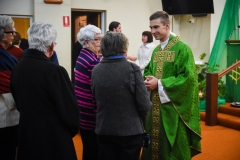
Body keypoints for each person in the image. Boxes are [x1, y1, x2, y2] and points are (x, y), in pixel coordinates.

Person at [10, 22, 79, 160]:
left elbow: (18, 103)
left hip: (27, 138)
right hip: (54, 141)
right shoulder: (55, 71)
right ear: (52, 45)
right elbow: (71, 112)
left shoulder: (17, 68)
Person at [141, 11, 201, 160]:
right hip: (154, 106)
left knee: (171, 148)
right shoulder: (156, 50)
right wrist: (147, 80)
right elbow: (149, 70)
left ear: (167, 25)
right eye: (151, 27)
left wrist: (160, 83)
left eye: (156, 27)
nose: (153, 32)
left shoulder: (182, 48)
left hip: (173, 109)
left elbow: (188, 79)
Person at [91, 32, 152, 160]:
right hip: (129, 131)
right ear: (124, 47)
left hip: (104, 129)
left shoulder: (96, 70)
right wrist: (141, 122)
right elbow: (144, 104)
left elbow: (95, 98)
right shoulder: (132, 69)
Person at [74, 24, 102, 160]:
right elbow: (98, 92)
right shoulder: (91, 61)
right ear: (86, 42)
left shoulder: (84, 55)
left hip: (84, 114)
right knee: (93, 152)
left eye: (101, 39)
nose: (100, 43)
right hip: (91, 116)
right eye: (97, 40)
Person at [0, 15, 19, 160]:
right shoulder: (3, 58)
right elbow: (11, 85)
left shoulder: (7, 55)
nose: (13, 35)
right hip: (5, 117)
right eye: (10, 32)